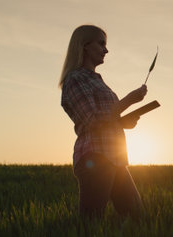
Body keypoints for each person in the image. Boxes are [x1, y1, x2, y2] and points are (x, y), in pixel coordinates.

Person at [59, 25, 146, 218]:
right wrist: (129, 100)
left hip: (115, 158)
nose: (106, 50)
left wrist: (123, 123)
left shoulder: (96, 79)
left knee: (138, 219)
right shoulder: (75, 79)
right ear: (85, 45)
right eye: (101, 44)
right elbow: (92, 120)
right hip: (95, 156)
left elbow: (106, 118)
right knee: (91, 222)